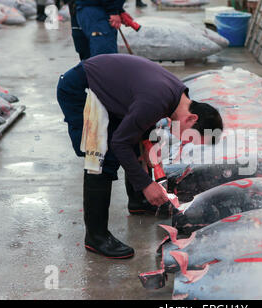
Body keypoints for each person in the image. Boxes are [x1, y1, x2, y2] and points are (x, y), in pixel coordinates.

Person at [56, 54, 223, 259]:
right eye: (191, 137)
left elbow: (143, 120)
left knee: (136, 142)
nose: (186, 142)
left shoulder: (177, 96)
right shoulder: (157, 99)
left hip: (106, 91)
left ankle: (137, 202)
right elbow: (120, 142)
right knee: (101, 159)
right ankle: (96, 237)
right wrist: (146, 184)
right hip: (82, 89)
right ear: (191, 118)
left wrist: (147, 147)